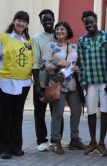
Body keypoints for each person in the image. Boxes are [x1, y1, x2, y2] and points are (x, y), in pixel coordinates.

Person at [42, 21, 86, 155]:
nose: (59, 31)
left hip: (73, 84)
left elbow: (76, 63)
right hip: (57, 84)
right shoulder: (51, 46)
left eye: (62, 29)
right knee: (58, 114)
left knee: (77, 112)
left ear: (68, 31)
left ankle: (74, 139)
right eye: (57, 29)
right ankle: (56, 141)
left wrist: (77, 68)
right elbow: (43, 65)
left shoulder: (73, 46)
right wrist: (58, 63)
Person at [0, 11, 33, 159]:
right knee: (5, 115)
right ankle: (5, 148)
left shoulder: (29, 41)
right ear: (14, 21)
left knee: (18, 116)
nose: (21, 23)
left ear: (27, 24)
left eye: (24, 21)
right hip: (6, 81)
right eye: (19, 20)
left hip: (24, 83)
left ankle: (16, 146)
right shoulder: (4, 38)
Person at [78, 11, 107, 156]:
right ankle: (92, 142)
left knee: (105, 112)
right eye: (86, 23)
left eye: (91, 22)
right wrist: (82, 81)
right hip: (90, 82)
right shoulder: (82, 40)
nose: (89, 25)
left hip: (105, 81)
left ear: (96, 21)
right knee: (91, 112)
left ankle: (102, 142)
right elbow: (81, 62)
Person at [32, 9, 64, 152]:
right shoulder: (36, 38)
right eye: (44, 20)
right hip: (42, 82)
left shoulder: (59, 35)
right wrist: (37, 84)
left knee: (57, 113)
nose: (47, 22)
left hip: (56, 82)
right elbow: (35, 63)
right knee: (40, 112)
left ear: (53, 19)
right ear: (41, 21)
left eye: (49, 19)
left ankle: (56, 139)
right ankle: (41, 140)